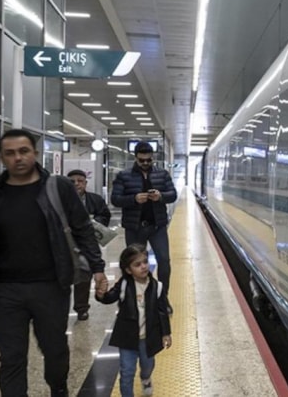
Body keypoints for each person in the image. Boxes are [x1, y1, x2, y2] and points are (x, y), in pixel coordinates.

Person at [0, 129, 109, 397]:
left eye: (23, 151)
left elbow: (83, 229)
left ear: (35, 153)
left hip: (51, 287)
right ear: (2, 158)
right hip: (6, 292)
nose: (18, 158)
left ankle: (58, 388)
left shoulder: (58, 188)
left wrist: (98, 268)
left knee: (54, 350)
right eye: (10, 153)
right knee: (11, 357)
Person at [96, 246, 172, 397]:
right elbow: (110, 297)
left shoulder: (157, 287)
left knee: (148, 365)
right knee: (127, 372)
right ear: (128, 270)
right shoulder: (124, 284)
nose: (143, 266)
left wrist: (166, 333)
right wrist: (101, 294)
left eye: (145, 262)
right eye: (137, 264)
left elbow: (162, 312)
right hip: (127, 338)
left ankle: (145, 378)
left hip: (148, 338)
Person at [111, 142, 177, 313]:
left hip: (157, 227)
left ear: (152, 157)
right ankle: (136, 298)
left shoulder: (162, 174)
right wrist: (134, 199)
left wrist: (160, 196)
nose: (146, 163)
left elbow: (173, 195)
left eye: (149, 160)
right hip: (134, 228)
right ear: (135, 158)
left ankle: (162, 299)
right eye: (142, 160)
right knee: (135, 263)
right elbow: (115, 199)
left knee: (164, 261)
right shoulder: (124, 176)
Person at [67, 168, 112, 321]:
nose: (76, 184)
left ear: (85, 183)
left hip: (87, 243)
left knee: (84, 275)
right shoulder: (60, 201)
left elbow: (105, 215)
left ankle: (81, 308)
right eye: (72, 182)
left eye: (80, 181)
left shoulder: (95, 200)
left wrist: (95, 222)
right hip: (65, 243)